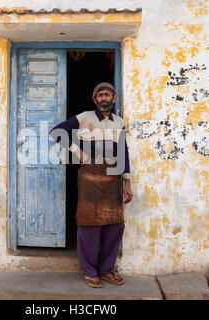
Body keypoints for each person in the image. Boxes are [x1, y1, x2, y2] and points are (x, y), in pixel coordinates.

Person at [50, 82, 133, 288]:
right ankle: (89, 271)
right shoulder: (84, 117)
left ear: (114, 99)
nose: (104, 98)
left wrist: (127, 182)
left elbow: (123, 152)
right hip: (89, 178)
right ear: (95, 99)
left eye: (108, 95)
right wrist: (78, 152)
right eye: (100, 95)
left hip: (113, 178)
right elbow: (56, 131)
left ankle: (106, 269)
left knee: (115, 225)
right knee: (89, 225)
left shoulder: (119, 122)